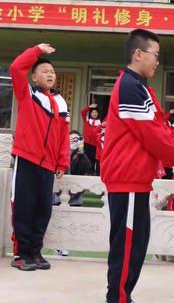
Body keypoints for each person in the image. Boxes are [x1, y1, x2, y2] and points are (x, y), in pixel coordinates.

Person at [101, 29, 174, 303]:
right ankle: (118, 298)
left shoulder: (139, 86)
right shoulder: (130, 86)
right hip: (127, 178)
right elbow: (151, 135)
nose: (157, 61)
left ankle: (122, 296)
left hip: (135, 180)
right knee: (128, 245)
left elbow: (159, 128)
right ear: (138, 54)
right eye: (155, 55)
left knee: (135, 243)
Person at [9, 43, 70, 271]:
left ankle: (35, 252)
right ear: (34, 77)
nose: (50, 74)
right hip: (27, 160)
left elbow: (64, 136)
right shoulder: (27, 95)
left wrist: (62, 162)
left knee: (43, 209)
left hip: (49, 166)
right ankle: (21, 254)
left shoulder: (61, 103)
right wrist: (37, 51)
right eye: (44, 72)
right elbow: (16, 68)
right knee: (24, 207)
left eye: (52, 72)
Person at [80, 103, 101, 175]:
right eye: (93, 112)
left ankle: (92, 173)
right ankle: (85, 173)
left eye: (96, 112)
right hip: (86, 144)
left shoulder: (100, 123)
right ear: (91, 113)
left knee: (93, 160)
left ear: (98, 114)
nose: (94, 114)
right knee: (85, 159)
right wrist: (89, 107)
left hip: (95, 145)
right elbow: (82, 112)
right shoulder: (87, 120)